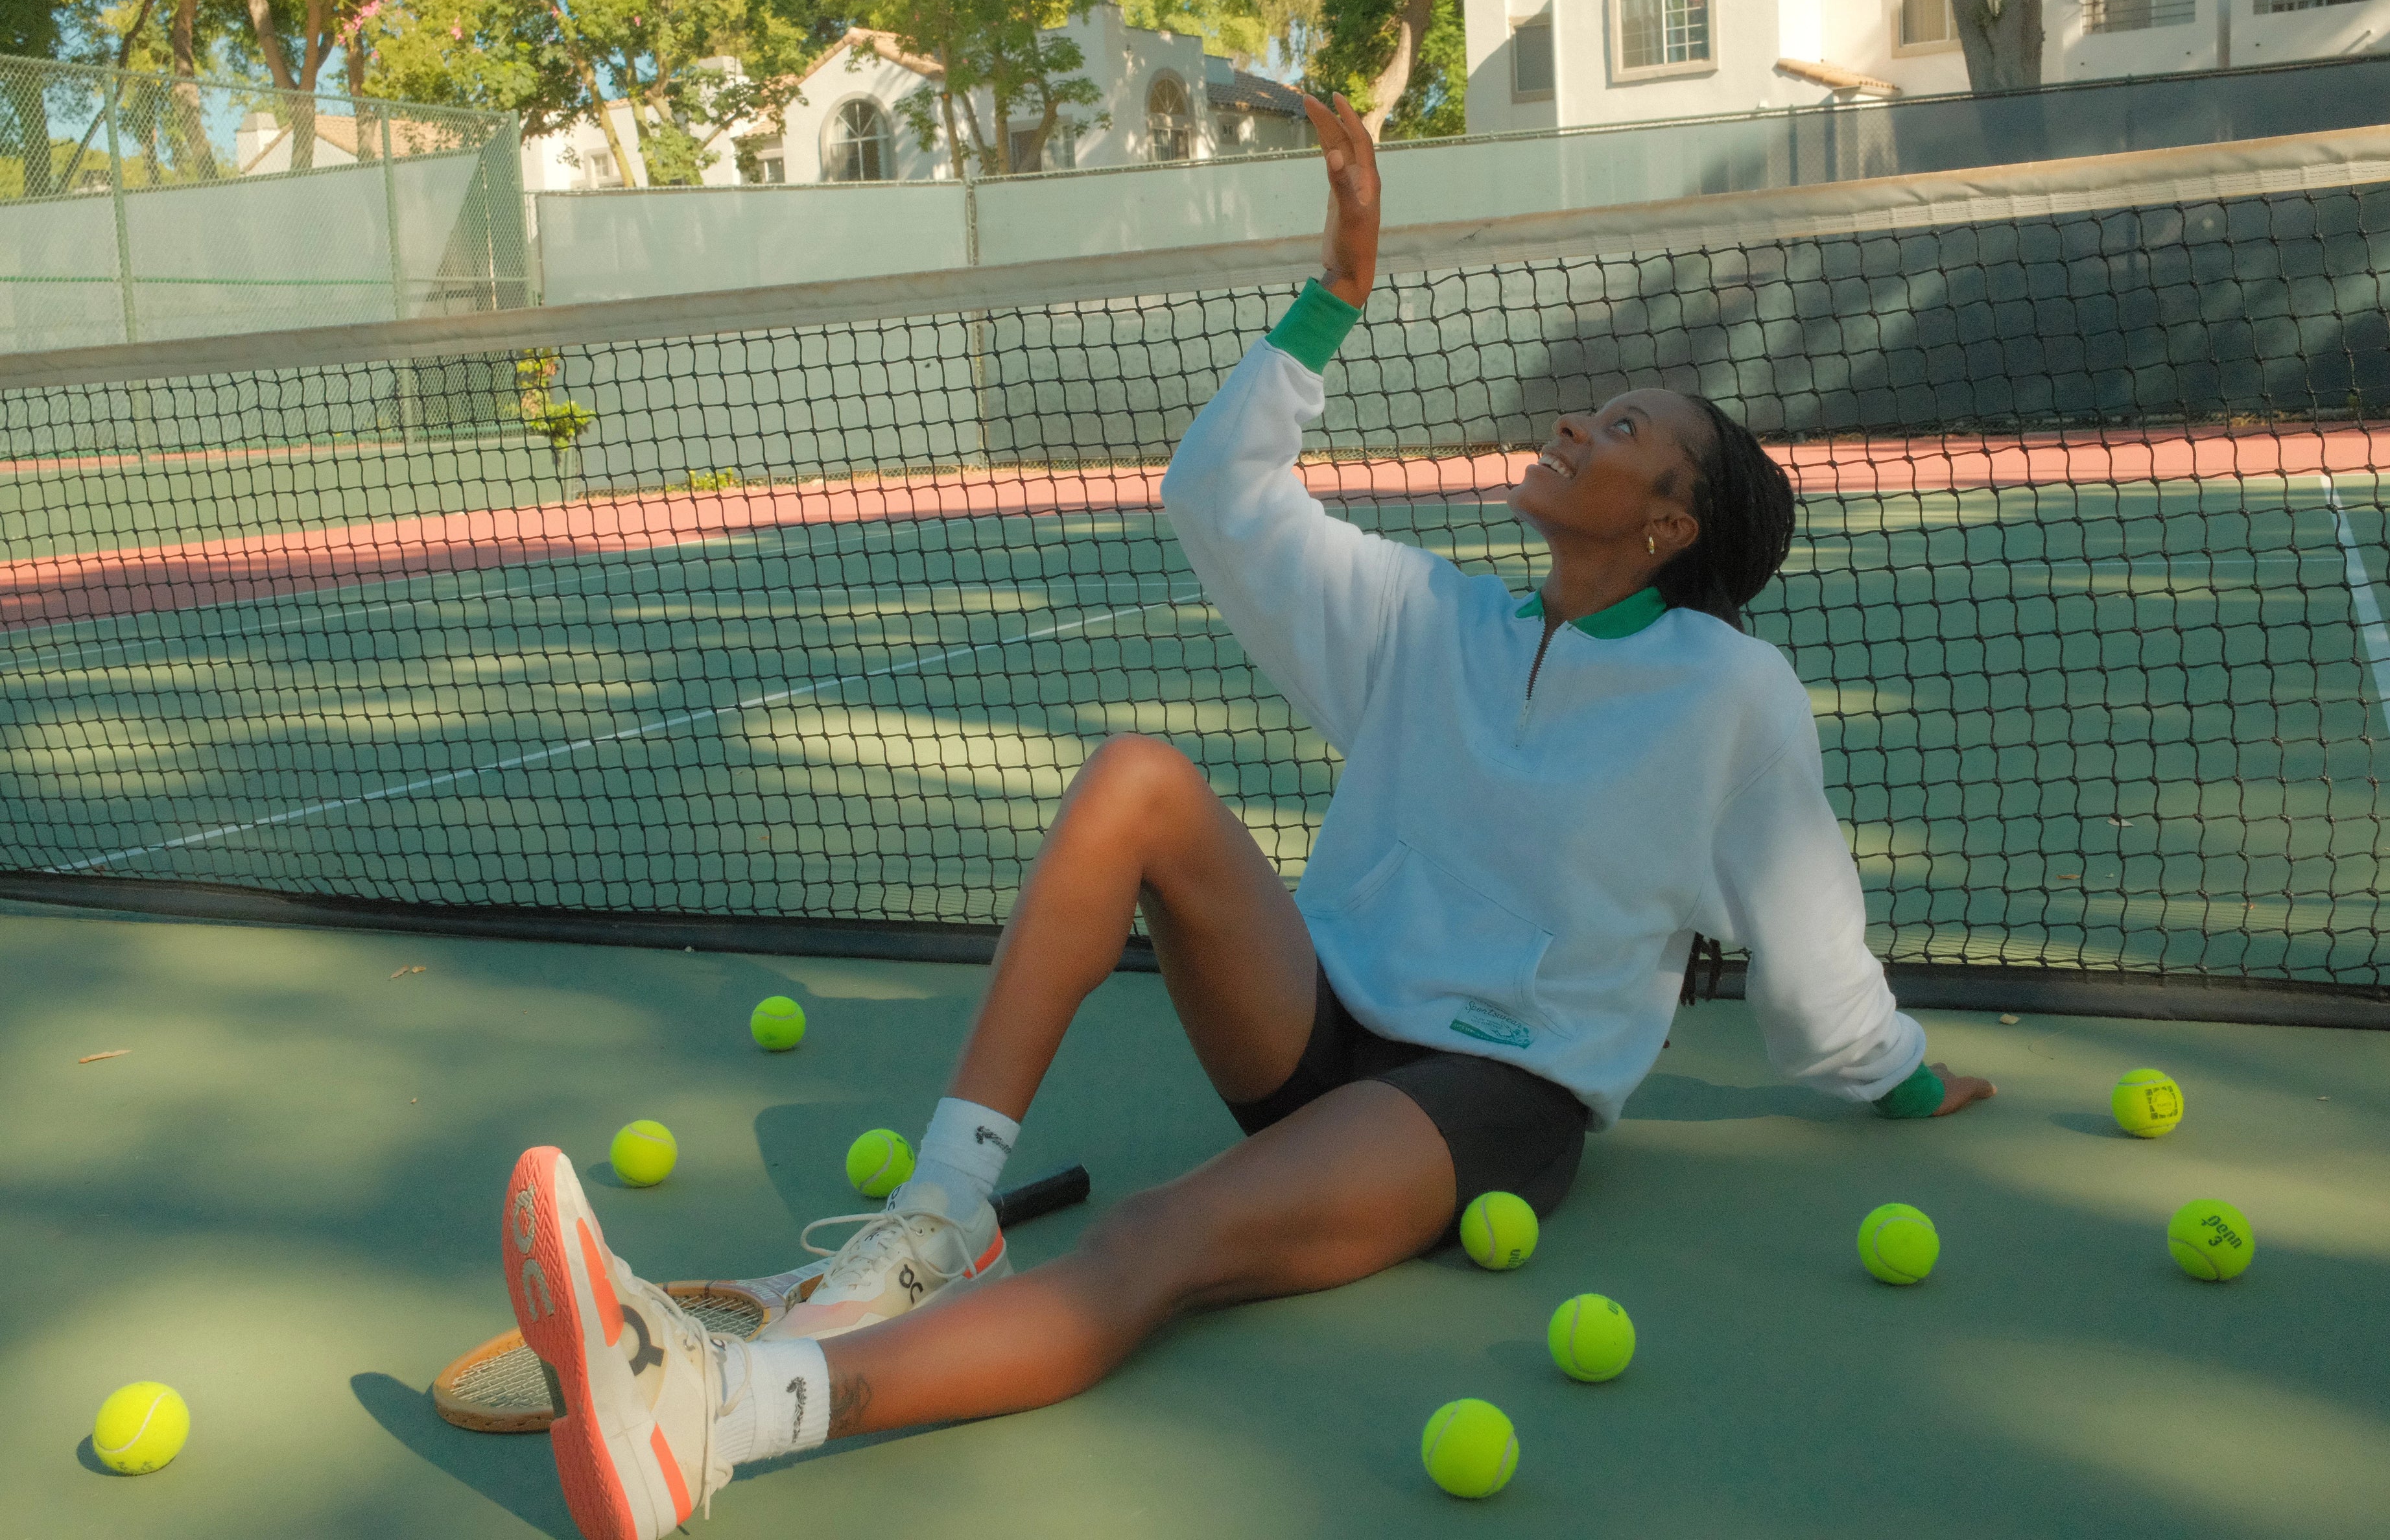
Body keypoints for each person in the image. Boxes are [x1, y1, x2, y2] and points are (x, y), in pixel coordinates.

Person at [495, 95, 1998, 1540]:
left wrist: (1905, 1076)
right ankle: (945, 1208)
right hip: (1317, 1024)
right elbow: (1218, 490)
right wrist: (1338, 287)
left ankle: (724, 1410)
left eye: (1617, 429)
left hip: (1488, 1097)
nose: (1572, 425)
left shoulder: (1734, 696)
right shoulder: (1431, 619)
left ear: (1669, 523)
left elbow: (1809, 966)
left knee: (1160, 1236)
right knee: (1139, 773)